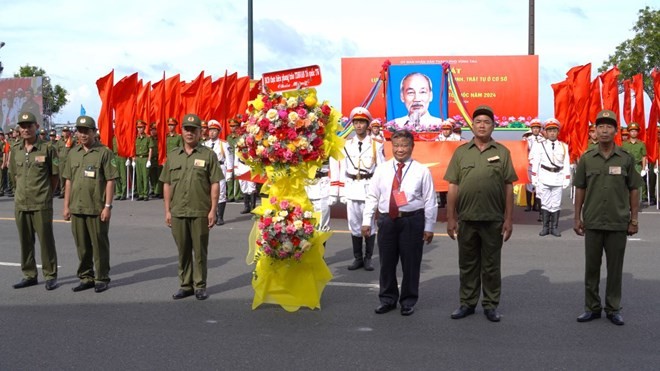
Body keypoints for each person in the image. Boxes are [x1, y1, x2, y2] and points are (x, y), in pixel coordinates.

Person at [444, 105, 518, 322]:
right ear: (472, 126)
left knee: (491, 266)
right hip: (466, 218)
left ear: (493, 126)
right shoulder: (460, 153)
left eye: (487, 122)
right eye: (478, 122)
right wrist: (450, 218)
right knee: (467, 264)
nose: (482, 125)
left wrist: (508, 219)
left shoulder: (502, 152)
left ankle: (490, 304)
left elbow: (508, 187)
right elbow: (453, 186)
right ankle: (467, 303)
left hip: (493, 219)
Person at [573, 109, 642, 326]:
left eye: (609, 126)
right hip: (592, 220)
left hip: (617, 221)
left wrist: (634, 219)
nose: (604, 130)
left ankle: (613, 308)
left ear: (615, 131)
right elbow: (580, 189)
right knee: (591, 268)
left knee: (614, 269)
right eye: (600, 126)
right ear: (595, 130)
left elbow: (634, 189)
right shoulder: (587, 158)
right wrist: (577, 217)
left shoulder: (626, 158)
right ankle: (592, 308)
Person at [362, 130, 437, 316]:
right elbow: (372, 196)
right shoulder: (382, 170)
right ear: (391, 147)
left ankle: (408, 300)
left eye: (404, 145)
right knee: (387, 262)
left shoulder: (422, 171)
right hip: (387, 220)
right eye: (396, 145)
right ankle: (387, 299)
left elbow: (430, 201)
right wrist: (366, 221)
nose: (400, 150)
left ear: (412, 146)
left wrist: (429, 227)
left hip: (412, 220)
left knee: (411, 263)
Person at [160, 113, 222, 301]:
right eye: (187, 129)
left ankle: (200, 285)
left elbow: (215, 183)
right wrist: (167, 211)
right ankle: (185, 285)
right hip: (178, 211)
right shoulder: (173, 156)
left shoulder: (208, 155)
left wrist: (213, 209)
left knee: (200, 250)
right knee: (183, 249)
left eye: (193, 130)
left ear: (199, 132)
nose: (189, 133)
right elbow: (167, 184)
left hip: (200, 210)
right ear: (182, 131)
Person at [62, 115, 119, 293]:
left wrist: (107, 206)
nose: (83, 134)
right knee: (82, 245)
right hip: (77, 207)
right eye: (80, 131)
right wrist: (66, 206)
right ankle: (86, 277)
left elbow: (111, 180)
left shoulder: (104, 152)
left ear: (94, 132)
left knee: (99, 244)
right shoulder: (73, 153)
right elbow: (68, 181)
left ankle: (101, 277)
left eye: (87, 130)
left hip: (96, 208)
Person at [8, 112, 59, 290]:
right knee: (25, 241)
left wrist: (46, 194)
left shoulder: (47, 148)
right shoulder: (15, 149)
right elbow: (14, 175)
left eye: (29, 125)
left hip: (41, 202)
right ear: (19, 129)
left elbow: (54, 176)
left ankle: (50, 275)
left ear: (36, 127)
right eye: (23, 126)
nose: (26, 129)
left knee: (46, 240)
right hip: (21, 202)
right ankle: (29, 274)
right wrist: (20, 193)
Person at [340, 107, 386, 271]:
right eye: (356, 122)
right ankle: (357, 258)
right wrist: (342, 191)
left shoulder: (376, 145)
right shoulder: (346, 145)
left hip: (369, 189)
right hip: (352, 188)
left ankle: (368, 258)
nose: (358, 126)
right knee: (354, 224)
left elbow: (381, 170)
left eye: (362, 122)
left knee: (370, 224)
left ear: (367, 124)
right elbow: (343, 169)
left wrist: (381, 193)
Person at [530, 118, 571, 237]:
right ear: (546, 133)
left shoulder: (563, 146)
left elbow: (566, 163)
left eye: (554, 130)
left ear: (558, 132)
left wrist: (566, 178)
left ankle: (554, 228)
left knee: (556, 204)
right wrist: (535, 178)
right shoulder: (540, 146)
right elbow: (536, 163)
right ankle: (545, 227)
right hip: (544, 177)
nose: (552, 133)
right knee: (545, 203)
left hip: (557, 177)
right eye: (550, 131)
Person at [204, 119, 233, 225]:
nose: (211, 132)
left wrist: (229, 172)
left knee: (221, 193)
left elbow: (229, 159)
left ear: (219, 132)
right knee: (208, 192)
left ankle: (220, 216)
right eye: (210, 130)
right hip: (208, 170)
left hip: (220, 168)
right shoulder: (205, 144)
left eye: (214, 130)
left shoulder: (224, 144)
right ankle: (213, 214)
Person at [621, 122, 647, 203]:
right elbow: (622, 156)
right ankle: (627, 202)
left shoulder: (641, 144)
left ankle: (637, 201)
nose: (633, 133)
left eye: (635, 131)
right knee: (626, 184)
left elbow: (644, 156)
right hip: (627, 166)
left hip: (637, 166)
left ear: (638, 132)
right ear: (629, 132)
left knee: (637, 184)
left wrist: (643, 168)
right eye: (632, 131)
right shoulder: (624, 144)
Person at [525, 119, 544, 213]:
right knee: (528, 184)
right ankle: (528, 205)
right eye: (534, 128)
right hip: (530, 164)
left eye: (537, 128)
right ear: (531, 129)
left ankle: (536, 205)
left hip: (540, 165)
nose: (536, 130)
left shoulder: (544, 140)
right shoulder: (527, 139)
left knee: (538, 185)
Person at [134, 120, 153, 201]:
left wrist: (149, 160)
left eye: (141, 127)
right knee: (139, 177)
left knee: (145, 177)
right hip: (138, 158)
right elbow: (133, 149)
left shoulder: (148, 138)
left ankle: (145, 195)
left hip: (145, 158)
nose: (139, 129)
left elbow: (150, 149)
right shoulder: (136, 138)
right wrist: (133, 159)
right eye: (138, 127)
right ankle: (140, 194)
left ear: (144, 128)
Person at [225, 118, 243, 203]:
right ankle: (230, 195)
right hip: (230, 158)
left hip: (238, 158)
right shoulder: (229, 137)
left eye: (234, 126)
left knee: (237, 176)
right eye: (231, 126)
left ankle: (237, 195)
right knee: (229, 176)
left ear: (238, 127)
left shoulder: (240, 137)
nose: (232, 128)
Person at [112, 134, 129, 200]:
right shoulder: (113, 137)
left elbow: (127, 147)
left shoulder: (123, 136)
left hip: (122, 156)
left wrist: (128, 158)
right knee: (117, 176)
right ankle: (118, 193)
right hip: (115, 156)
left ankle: (123, 193)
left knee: (123, 176)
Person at [148, 123, 163, 199]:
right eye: (151, 130)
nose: (152, 131)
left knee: (159, 175)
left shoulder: (160, 138)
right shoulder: (149, 138)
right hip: (152, 159)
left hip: (158, 158)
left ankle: (159, 191)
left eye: (154, 129)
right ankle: (154, 189)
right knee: (152, 175)